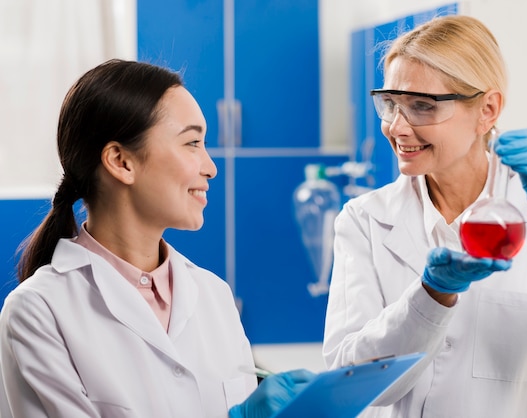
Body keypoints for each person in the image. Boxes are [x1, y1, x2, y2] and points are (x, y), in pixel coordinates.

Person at [322, 15, 527, 418]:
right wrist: (430, 296)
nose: (397, 127)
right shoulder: (365, 219)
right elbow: (348, 382)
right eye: (391, 104)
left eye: (422, 106)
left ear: (487, 110)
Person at [0, 59, 315, 418]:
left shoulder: (213, 295)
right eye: (192, 143)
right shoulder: (38, 312)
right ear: (121, 161)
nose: (210, 166)